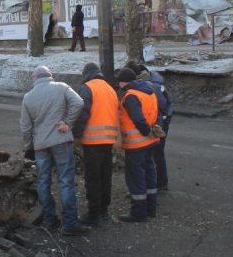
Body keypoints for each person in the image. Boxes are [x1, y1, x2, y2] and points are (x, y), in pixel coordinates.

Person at [20, 65, 89, 236]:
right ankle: (70, 224)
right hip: (61, 141)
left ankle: (50, 220)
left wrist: (28, 146)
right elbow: (79, 102)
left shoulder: (28, 97)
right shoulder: (61, 87)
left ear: (35, 78)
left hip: (41, 145)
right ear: (50, 76)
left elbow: (25, 126)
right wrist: (67, 122)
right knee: (65, 181)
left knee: (43, 181)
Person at [73, 62, 119, 224]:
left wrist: (76, 136)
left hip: (93, 141)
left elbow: (82, 114)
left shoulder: (87, 88)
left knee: (93, 177)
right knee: (105, 176)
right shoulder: (110, 89)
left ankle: (94, 214)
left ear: (86, 75)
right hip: (109, 140)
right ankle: (104, 210)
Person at [116, 66, 161, 222]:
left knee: (136, 178)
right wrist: (152, 131)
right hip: (151, 142)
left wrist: (145, 131)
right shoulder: (149, 92)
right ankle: (151, 209)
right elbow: (157, 113)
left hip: (136, 145)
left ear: (123, 82)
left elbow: (137, 119)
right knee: (150, 175)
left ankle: (138, 213)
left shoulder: (130, 96)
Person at [128, 62, 173, 192]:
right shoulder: (153, 82)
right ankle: (158, 183)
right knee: (156, 153)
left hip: (160, 122)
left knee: (157, 153)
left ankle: (160, 183)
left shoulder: (152, 85)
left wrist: (155, 121)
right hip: (161, 120)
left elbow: (161, 105)